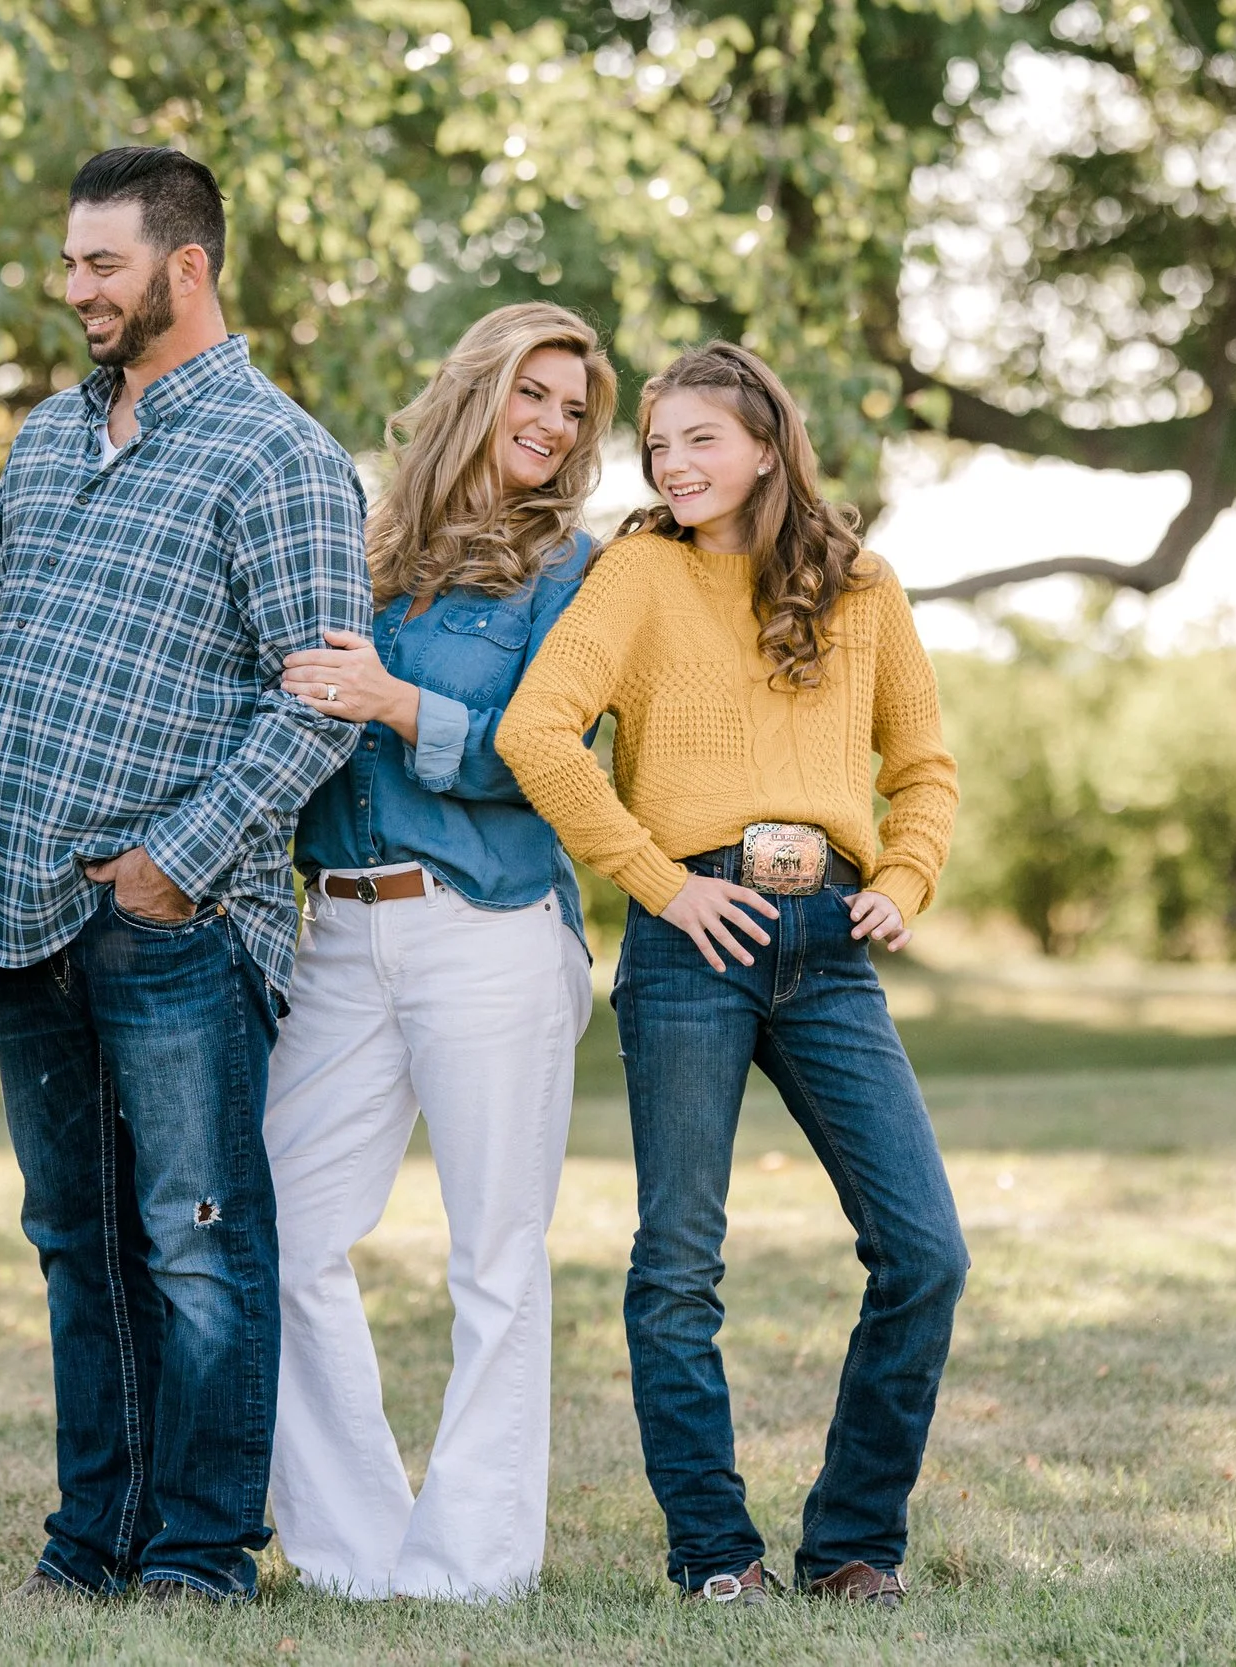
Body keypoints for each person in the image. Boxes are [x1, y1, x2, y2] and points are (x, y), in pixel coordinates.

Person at [0, 146, 371, 1604]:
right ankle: (93, 1541)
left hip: (176, 918)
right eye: (69, 261)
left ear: (186, 266)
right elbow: (15, 682)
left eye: (101, 263)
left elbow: (320, 699)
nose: (75, 288)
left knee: (196, 1245)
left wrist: (170, 866)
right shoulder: (47, 440)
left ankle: (197, 1550)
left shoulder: (280, 454)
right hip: (27, 909)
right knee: (76, 1244)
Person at [496, 341, 966, 1610]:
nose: (673, 463)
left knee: (925, 1250)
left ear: (766, 443)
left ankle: (853, 1543)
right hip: (688, 942)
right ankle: (714, 1551)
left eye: (699, 438)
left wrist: (905, 876)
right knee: (678, 1263)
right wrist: (658, 880)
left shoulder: (861, 585)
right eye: (657, 444)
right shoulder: (638, 573)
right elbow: (536, 730)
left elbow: (923, 767)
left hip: (829, 949)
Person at [263, 303, 613, 1602]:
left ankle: (469, 1566)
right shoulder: (358, 545)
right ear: (475, 388)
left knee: (495, 1260)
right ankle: (353, 1552)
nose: (554, 426)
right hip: (339, 925)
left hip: (489, 925)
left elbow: (554, 760)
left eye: (574, 410)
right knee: (280, 1227)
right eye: (534, 393)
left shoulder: (572, 571)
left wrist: (401, 702)